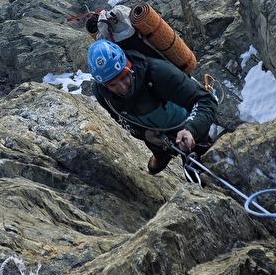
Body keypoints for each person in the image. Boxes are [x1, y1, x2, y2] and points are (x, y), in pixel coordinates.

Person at [86, 39, 217, 175]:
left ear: (129, 66)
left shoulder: (158, 72)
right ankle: (162, 152)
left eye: (123, 77)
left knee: (198, 175)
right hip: (155, 133)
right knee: (154, 162)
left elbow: (206, 100)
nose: (122, 87)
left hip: (188, 128)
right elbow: (120, 118)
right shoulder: (102, 94)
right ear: (103, 85)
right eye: (113, 85)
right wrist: (143, 134)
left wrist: (191, 129)